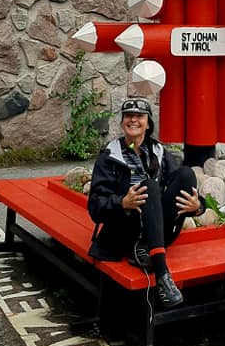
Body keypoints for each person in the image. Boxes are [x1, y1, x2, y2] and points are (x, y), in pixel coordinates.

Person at [88, 97, 205, 308]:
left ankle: (147, 249)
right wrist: (122, 202)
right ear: (122, 122)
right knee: (150, 186)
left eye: (139, 116)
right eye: (128, 116)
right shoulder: (109, 157)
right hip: (125, 231)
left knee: (186, 173)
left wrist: (198, 207)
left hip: (157, 230)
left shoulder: (159, 153)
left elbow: (179, 189)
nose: (133, 120)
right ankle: (162, 275)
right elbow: (95, 207)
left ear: (148, 123)